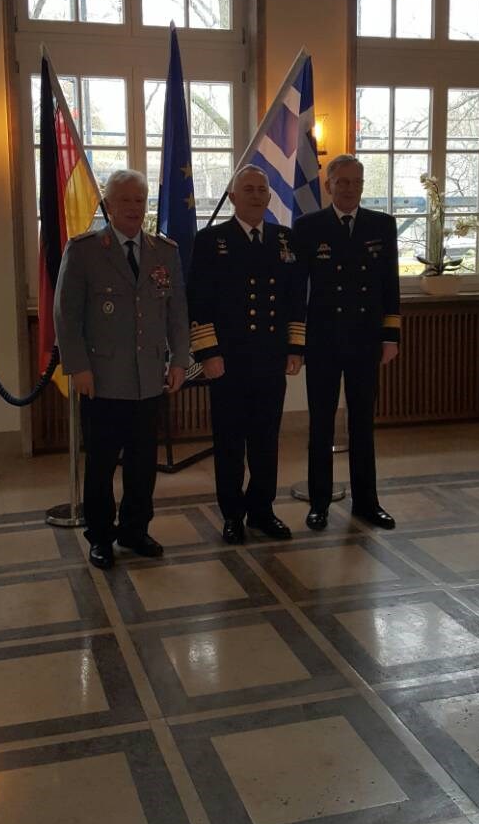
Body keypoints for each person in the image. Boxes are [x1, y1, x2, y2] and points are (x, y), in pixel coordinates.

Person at [54, 169, 189, 569]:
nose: (133, 207)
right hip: (102, 379)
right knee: (100, 464)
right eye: (125, 200)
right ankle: (100, 536)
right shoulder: (84, 251)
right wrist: (78, 367)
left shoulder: (164, 251)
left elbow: (177, 312)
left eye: (139, 200)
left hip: (149, 378)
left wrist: (179, 359)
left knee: (143, 464)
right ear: (108, 205)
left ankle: (135, 529)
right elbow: (67, 316)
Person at [187, 165, 305, 544]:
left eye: (261, 190)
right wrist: (208, 352)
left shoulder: (285, 240)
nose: (255, 195)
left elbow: (295, 299)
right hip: (228, 361)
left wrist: (295, 347)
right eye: (248, 189)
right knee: (230, 442)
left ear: (269, 197)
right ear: (233, 197)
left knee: (266, 441)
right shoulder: (211, 240)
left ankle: (262, 510)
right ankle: (232, 515)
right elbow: (199, 302)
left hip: (270, 358)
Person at [291, 154, 400, 531]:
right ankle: (319, 503)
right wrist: (297, 342)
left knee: (362, 424)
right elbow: (296, 289)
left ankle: (367, 502)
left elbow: (390, 285)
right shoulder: (308, 227)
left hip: (365, 340)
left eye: (356, 182)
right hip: (323, 340)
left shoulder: (382, 225)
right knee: (320, 425)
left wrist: (390, 335)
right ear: (328, 186)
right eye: (342, 182)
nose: (350, 189)